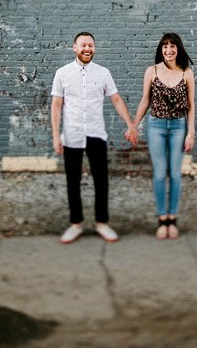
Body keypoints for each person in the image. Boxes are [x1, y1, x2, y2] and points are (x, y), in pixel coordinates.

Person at [51, 32, 138, 244]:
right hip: (71, 134)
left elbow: (116, 100)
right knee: (73, 180)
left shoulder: (103, 73)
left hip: (96, 133)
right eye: (83, 45)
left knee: (101, 180)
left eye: (90, 45)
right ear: (74, 48)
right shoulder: (62, 73)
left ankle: (102, 222)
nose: (87, 48)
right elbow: (56, 105)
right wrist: (56, 135)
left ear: (94, 48)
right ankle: (76, 224)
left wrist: (130, 124)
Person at [132, 33, 195, 240]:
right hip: (156, 126)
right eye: (165, 47)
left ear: (178, 49)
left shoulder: (187, 73)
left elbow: (191, 107)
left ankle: (172, 219)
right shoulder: (152, 71)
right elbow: (144, 101)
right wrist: (133, 125)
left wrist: (191, 133)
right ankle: (162, 219)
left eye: (173, 47)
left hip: (178, 127)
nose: (169, 50)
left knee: (175, 174)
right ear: (161, 49)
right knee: (160, 174)